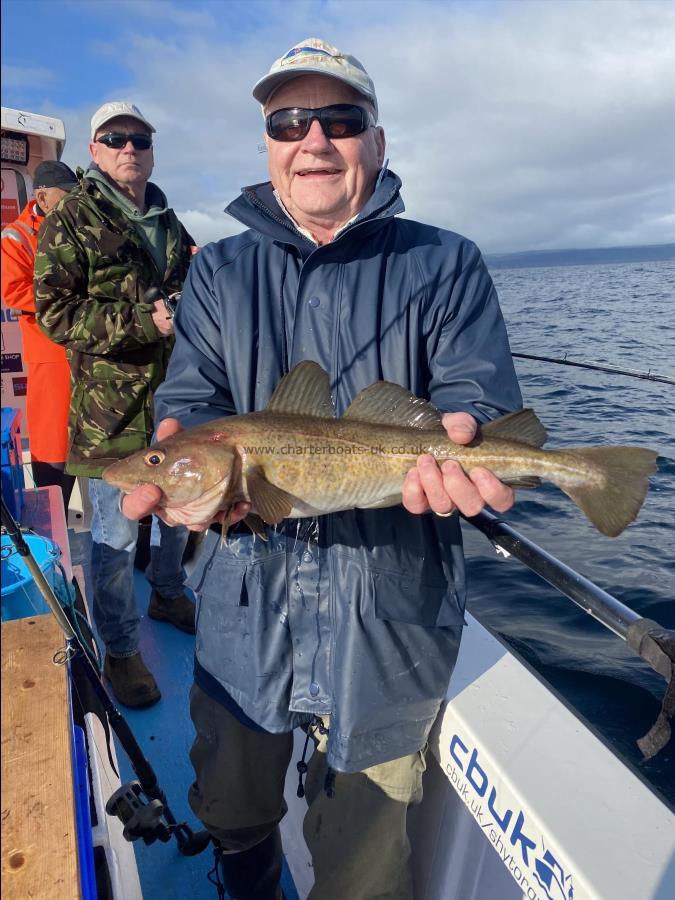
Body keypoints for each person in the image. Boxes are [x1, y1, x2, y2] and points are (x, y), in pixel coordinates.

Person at [122, 38, 522, 900]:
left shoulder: (445, 261)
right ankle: (248, 875)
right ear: (267, 142)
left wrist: (475, 434)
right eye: (288, 120)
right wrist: (184, 464)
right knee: (231, 799)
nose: (314, 139)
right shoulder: (218, 272)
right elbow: (191, 400)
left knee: (364, 854)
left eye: (341, 120)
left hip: (388, 612)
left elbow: (473, 394)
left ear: (376, 143)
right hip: (242, 608)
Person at [35, 101, 197, 709]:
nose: (129, 148)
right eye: (115, 139)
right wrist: (144, 321)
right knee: (115, 533)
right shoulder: (72, 217)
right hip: (110, 412)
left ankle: (169, 590)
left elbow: (190, 284)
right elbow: (55, 311)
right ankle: (123, 650)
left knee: (182, 506)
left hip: (176, 399)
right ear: (95, 151)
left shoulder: (166, 217)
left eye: (140, 138)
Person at [1, 161, 78, 511]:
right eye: (67, 193)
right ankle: (55, 527)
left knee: (92, 440)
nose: (74, 200)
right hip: (50, 354)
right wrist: (71, 302)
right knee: (52, 446)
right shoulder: (15, 237)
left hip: (91, 351)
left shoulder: (80, 224)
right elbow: (12, 290)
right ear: (42, 196)